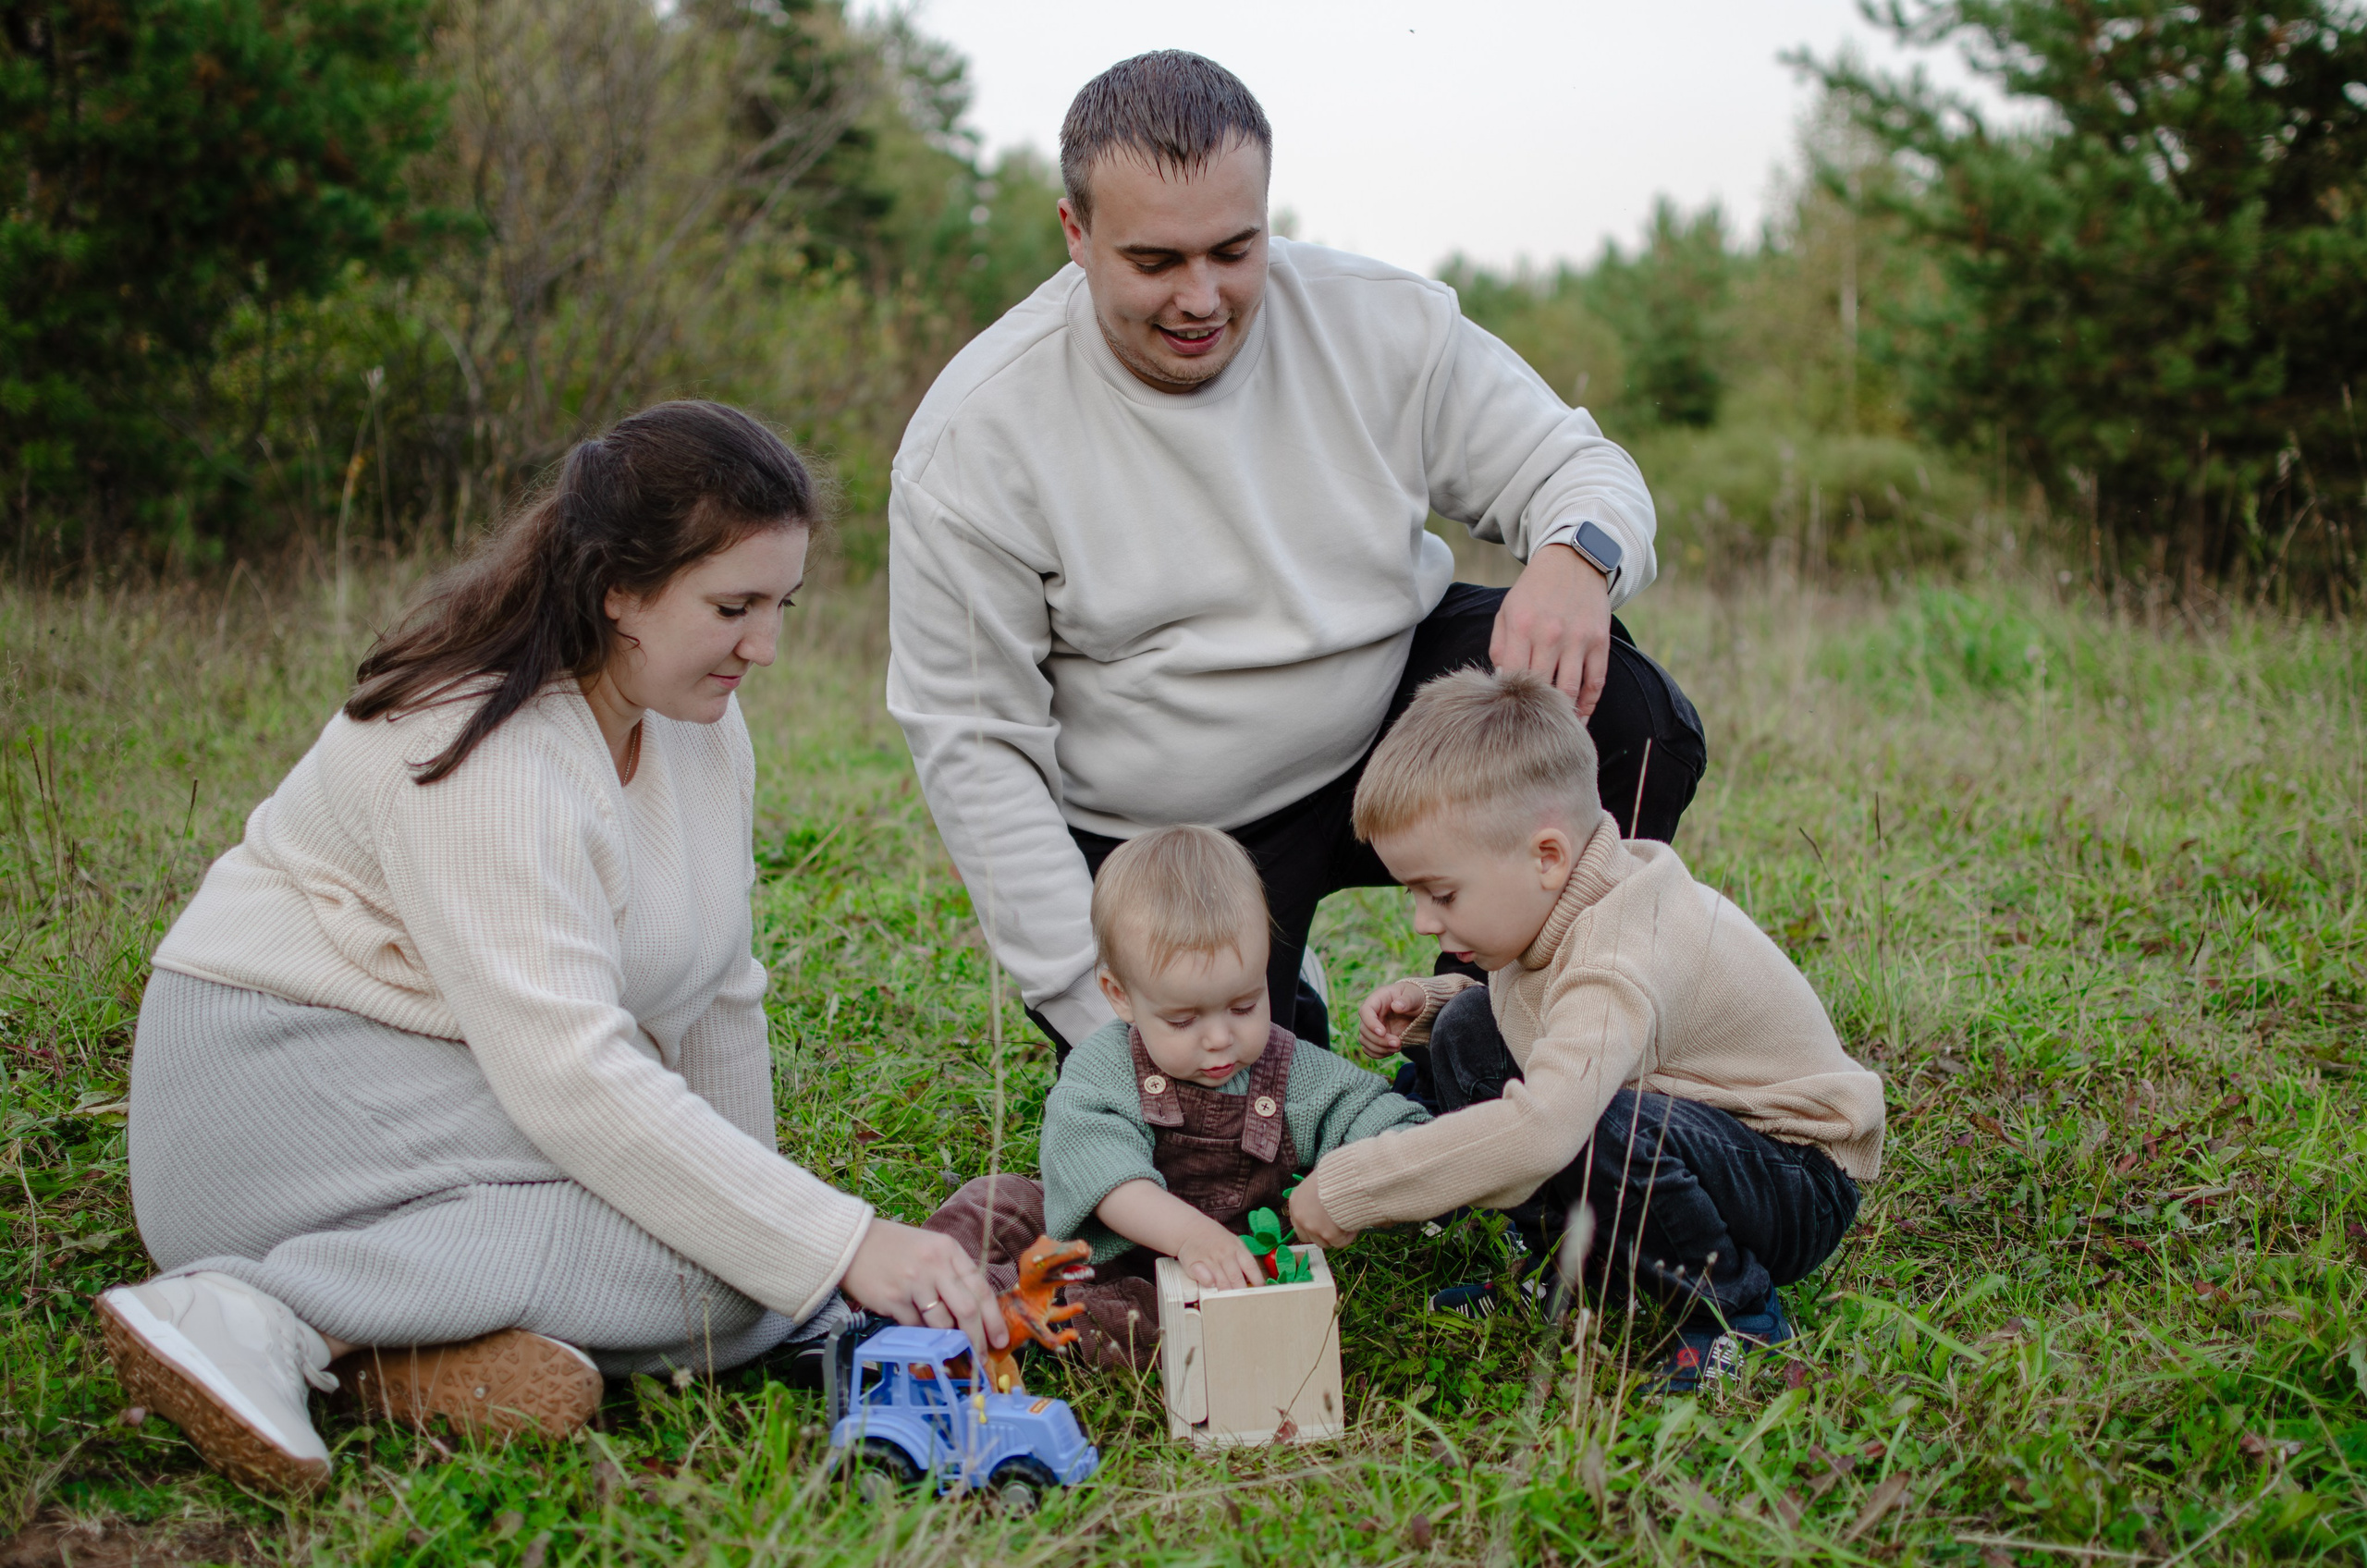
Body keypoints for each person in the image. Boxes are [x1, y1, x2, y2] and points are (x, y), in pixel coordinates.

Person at [97, 401, 1006, 1494]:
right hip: (279, 1094)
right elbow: (571, 1073)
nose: (764, 647)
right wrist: (831, 1245)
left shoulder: (696, 722)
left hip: (457, 1091)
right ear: (617, 587)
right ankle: (261, 1307)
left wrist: (779, 1246)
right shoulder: (481, 745)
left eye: (781, 605)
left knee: (735, 1279)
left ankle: (409, 1355)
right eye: (733, 606)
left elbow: (722, 992)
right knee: (729, 1274)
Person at [886, 50, 1706, 1060]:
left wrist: (1576, 557)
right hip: (1171, 834)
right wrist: (1105, 1023)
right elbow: (974, 749)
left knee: (1627, 712)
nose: (1201, 298)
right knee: (1219, 1148)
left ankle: (1491, 1028)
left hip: (1390, 733)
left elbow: (1579, 468)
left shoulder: (1379, 319)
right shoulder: (973, 438)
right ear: (1076, 235)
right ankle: (1283, 993)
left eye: (1235, 249)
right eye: (1155, 262)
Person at [1286, 668, 1883, 1390]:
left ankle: (1736, 1315)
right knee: (1471, 1024)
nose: (1422, 919)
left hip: (1792, 1177)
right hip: (1698, 1126)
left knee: (1596, 1124)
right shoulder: (1561, 902)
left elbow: (1543, 1128)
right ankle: (1565, 1272)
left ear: (1547, 856)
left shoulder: (1620, 950)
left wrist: (1355, 1186)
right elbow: (1534, 1003)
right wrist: (1437, 1007)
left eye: (1440, 892)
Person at [926, 825, 1427, 1369]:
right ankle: (927, 1298)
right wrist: (1189, 1233)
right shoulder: (1105, 1066)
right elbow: (1099, 1166)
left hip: (1218, 1271)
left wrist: (1361, 1175)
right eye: (1183, 1019)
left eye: (1244, 1005)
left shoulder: (1293, 1074)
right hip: (1101, 1245)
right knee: (989, 1204)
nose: (1219, 1038)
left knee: (1148, 1321)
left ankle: (1020, 1313)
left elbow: (1383, 1118)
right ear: (1120, 996)